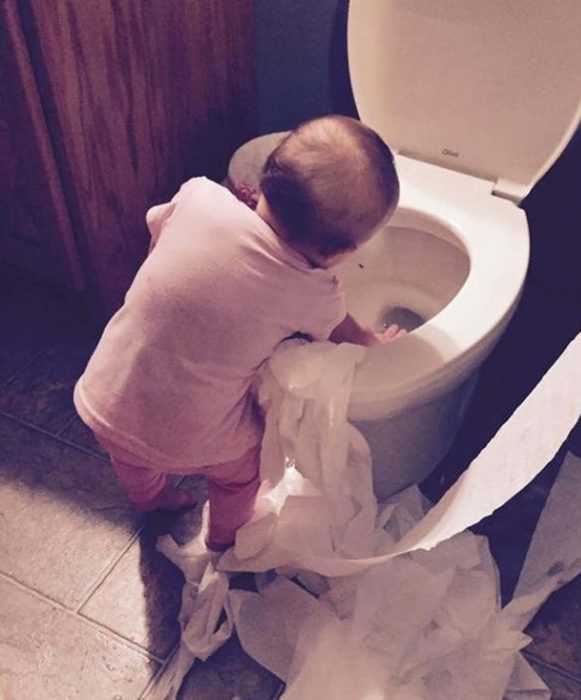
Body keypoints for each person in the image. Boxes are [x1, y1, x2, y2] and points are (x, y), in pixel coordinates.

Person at [73, 115, 402, 550]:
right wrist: (374, 343)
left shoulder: (199, 195)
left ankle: (151, 498)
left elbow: (159, 234)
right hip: (194, 438)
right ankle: (225, 538)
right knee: (242, 471)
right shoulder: (314, 290)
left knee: (130, 456)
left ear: (263, 178)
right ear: (340, 253)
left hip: (107, 398)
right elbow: (340, 332)